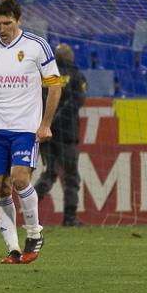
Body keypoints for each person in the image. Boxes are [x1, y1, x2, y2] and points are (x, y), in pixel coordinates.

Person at [0, 0, 61, 264]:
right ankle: (14, 249)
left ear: (18, 20)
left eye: (7, 23)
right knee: (2, 187)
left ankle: (34, 232)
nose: (2, 28)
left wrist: (45, 124)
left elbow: (55, 85)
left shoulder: (37, 46)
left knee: (20, 178)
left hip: (25, 128)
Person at [34, 43, 87, 227]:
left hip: (47, 133)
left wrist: (49, 122)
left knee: (49, 174)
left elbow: (40, 99)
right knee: (71, 176)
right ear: (71, 56)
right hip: (67, 134)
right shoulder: (77, 76)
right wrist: (59, 120)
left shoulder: (48, 76)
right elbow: (76, 102)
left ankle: (27, 211)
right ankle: (70, 218)